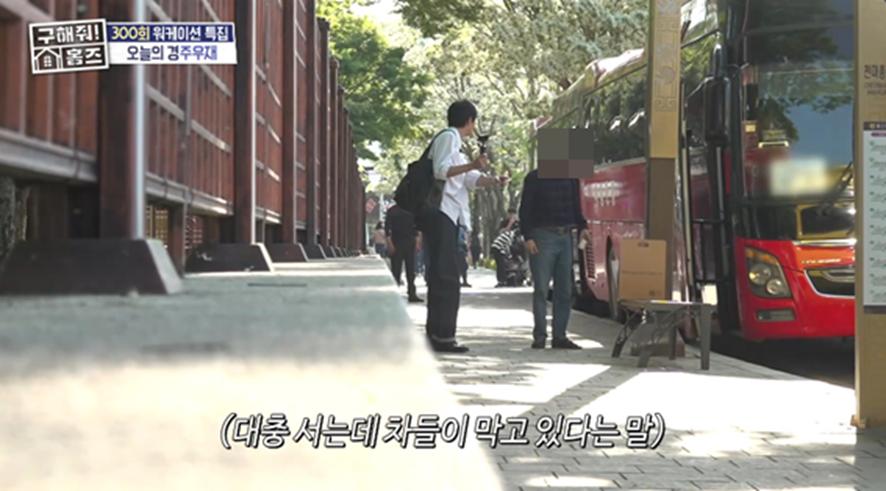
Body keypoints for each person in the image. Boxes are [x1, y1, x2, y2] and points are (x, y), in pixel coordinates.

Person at [423, 100, 507, 353]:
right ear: (469, 120)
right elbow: (441, 171)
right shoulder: (449, 137)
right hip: (442, 213)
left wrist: (492, 180)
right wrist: (473, 164)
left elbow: (467, 180)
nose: (474, 126)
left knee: (444, 276)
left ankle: (439, 334)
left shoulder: (455, 144)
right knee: (446, 276)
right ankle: (442, 336)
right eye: (473, 121)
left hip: (450, 216)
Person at [519, 168, 590, 350]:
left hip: (565, 236)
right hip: (542, 236)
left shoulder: (571, 177)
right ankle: (540, 336)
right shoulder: (534, 177)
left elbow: (576, 206)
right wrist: (528, 236)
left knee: (564, 289)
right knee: (541, 289)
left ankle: (560, 336)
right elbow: (525, 209)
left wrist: (583, 226)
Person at [385, 204, 422, 303]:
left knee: (411, 270)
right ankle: (395, 293)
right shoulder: (392, 211)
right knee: (396, 270)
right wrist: (389, 243)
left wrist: (418, 240)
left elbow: (417, 227)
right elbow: (387, 229)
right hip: (397, 242)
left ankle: (412, 293)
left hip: (409, 242)